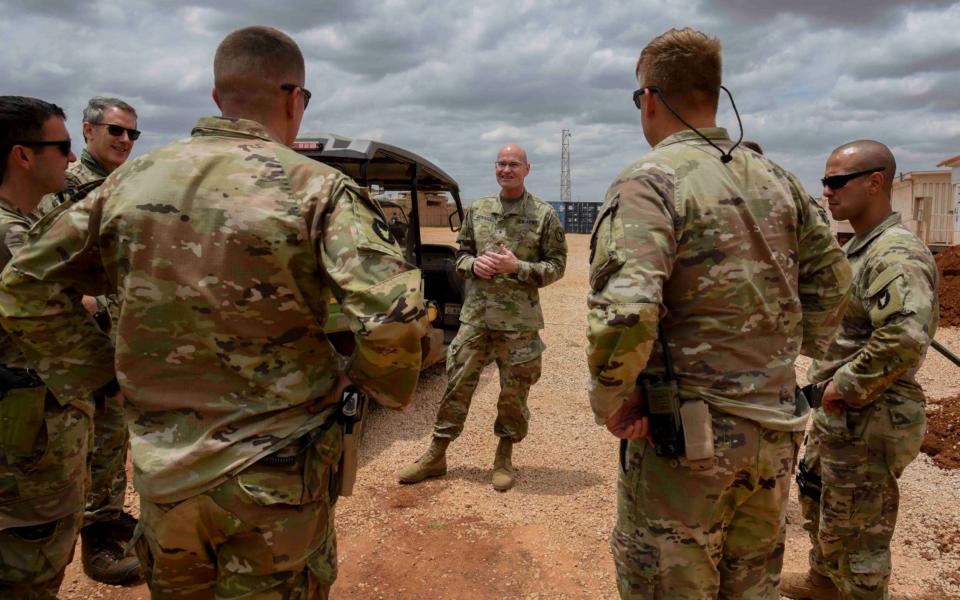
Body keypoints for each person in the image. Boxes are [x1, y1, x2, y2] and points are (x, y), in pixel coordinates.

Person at [0, 26, 428, 598]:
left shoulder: (128, 184)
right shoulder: (318, 189)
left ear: (215, 96)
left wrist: (101, 375)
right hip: (276, 475)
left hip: (166, 479)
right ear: (293, 99)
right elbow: (396, 317)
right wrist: (363, 384)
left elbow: (24, 286)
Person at [586, 28, 852, 598]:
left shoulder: (650, 181)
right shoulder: (782, 182)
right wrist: (770, 362)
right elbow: (833, 291)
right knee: (751, 586)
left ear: (650, 99)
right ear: (715, 93)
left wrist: (612, 401)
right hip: (776, 433)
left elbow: (626, 312)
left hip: (685, 444)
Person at [781, 141, 939, 600]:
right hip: (843, 411)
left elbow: (904, 339)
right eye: (824, 181)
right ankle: (823, 583)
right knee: (823, 505)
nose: (826, 191)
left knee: (859, 533)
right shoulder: (860, 249)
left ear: (875, 182)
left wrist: (842, 387)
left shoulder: (895, 254)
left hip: (870, 413)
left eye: (836, 181)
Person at [398, 144, 567, 491]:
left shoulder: (544, 215)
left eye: (514, 164)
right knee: (457, 386)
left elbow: (557, 267)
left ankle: (504, 455)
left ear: (527, 169)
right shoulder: (479, 209)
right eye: (501, 164)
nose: (507, 170)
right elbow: (461, 256)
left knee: (513, 393)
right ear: (496, 168)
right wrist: (473, 264)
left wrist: (517, 267)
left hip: (519, 323)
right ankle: (437, 453)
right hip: (476, 318)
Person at [40, 96, 143, 585]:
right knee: (93, 441)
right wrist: (97, 307)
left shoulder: (121, 185)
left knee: (114, 437)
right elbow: (48, 269)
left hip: (120, 339)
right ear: (87, 131)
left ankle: (109, 515)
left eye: (131, 134)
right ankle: (96, 544)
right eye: (115, 131)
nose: (124, 140)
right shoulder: (64, 188)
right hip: (86, 343)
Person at [0, 95, 90, 599]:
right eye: (62, 146)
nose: (72, 158)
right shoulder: (10, 237)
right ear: (24, 155)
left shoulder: (25, 226)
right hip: (22, 458)